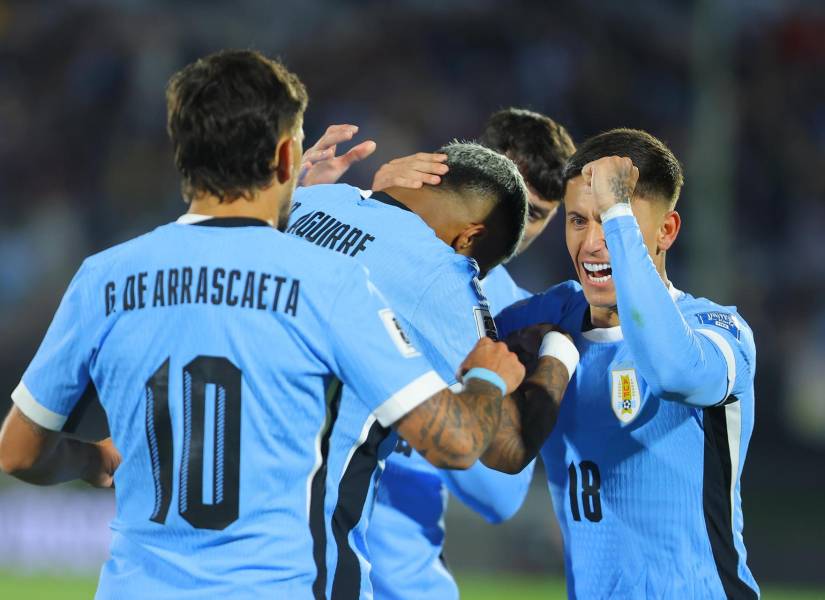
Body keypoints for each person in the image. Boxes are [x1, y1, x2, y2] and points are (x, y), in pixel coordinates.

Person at [0, 50, 565, 600]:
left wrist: (96, 459)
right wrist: (497, 375)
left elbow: (19, 452)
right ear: (287, 156)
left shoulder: (105, 276)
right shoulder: (332, 284)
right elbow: (461, 444)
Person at [496, 128, 759, 598]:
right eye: (578, 221)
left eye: (613, 222)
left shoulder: (719, 330)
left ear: (666, 231)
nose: (594, 243)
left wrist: (618, 212)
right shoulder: (549, 318)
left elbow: (674, 371)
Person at [356, 108, 576, 600]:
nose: (514, 225)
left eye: (535, 214)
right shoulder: (376, 232)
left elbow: (499, 496)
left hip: (398, 570)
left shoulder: (510, 314)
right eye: (507, 197)